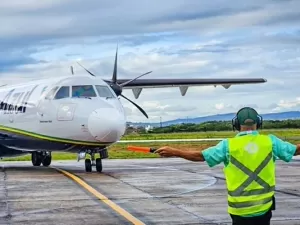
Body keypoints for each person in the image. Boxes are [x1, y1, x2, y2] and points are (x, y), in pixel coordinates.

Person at [155, 107, 300, 225]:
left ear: (236, 124)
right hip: (264, 207)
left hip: (239, 210)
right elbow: (296, 150)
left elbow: (200, 156)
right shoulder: (271, 142)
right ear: (259, 123)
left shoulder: (227, 145)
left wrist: (175, 151)